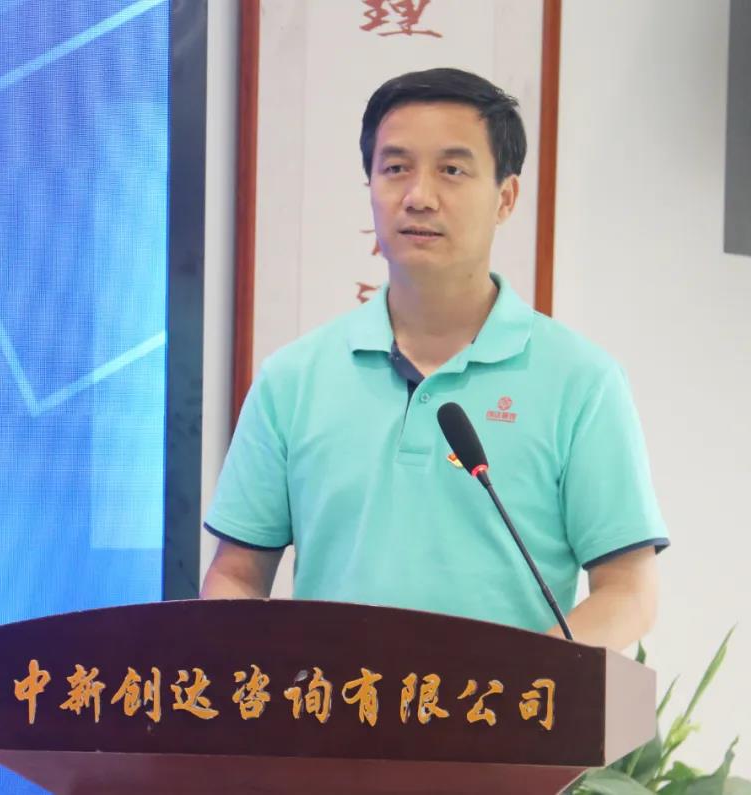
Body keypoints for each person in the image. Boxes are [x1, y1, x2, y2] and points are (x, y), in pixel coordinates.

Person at [200, 68, 668, 652]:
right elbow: (237, 575)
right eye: (395, 168)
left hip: (502, 708)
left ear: (506, 198)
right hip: (334, 707)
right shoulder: (292, 380)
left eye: (452, 170)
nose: (418, 196)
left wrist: (522, 682)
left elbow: (628, 592)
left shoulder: (581, 382)